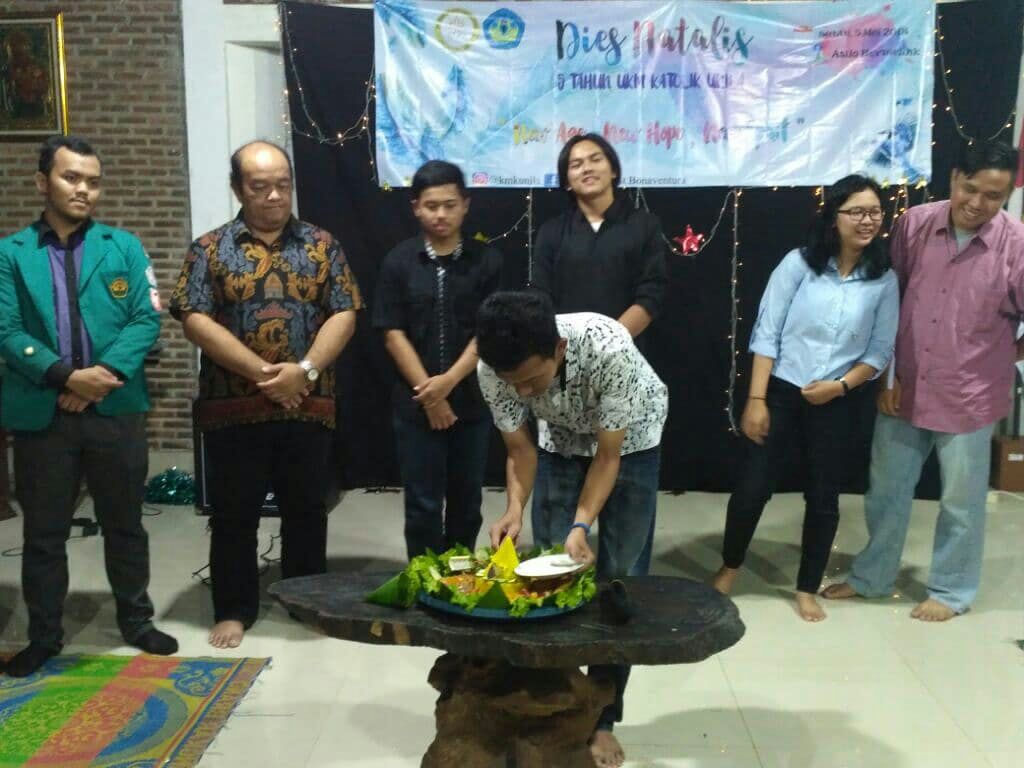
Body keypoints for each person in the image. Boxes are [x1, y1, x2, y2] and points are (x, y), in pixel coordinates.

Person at [169, 140, 362, 648]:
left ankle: (306, 599)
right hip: (234, 410)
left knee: (307, 511)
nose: (274, 196)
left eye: (282, 184)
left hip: (307, 404)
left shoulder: (323, 245)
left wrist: (305, 370)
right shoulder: (210, 249)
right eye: (260, 186)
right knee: (233, 516)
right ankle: (234, 609)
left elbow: (345, 311)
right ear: (238, 188)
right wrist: (266, 375)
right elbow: (193, 318)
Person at [824, 140, 1024, 621]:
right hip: (905, 387)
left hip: (971, 396)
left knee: (960, 501)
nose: (977, 203)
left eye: (993, 196)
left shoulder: (1017, 246)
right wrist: (887, 376)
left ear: (1008, 194)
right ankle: (872, 576)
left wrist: (1004, 357)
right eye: (970, 188)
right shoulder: (915, 223)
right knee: (886, 491)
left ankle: (951, 590)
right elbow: (888, 300)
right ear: (954, 178)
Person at [0, 135, 177, 677]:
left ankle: (137, 621)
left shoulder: (123, 247)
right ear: (42, 182)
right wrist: (65, 376)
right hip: (43, 413)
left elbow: (146, 318)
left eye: (93, 182)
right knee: (43, 535)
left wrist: (99, 378)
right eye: (71, 177)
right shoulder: (10, 254)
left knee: (125, 525)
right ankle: (44, 636)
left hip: (115, 409)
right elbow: (6, 330)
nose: (84, 190)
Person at [476, 291, 667, 768]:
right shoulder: (492, 369)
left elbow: (608, 457)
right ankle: (556, 706)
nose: (523, 392)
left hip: (632, 440)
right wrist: (514, 509)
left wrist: (581, 525)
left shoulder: (610, 348)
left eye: (531, 380)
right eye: (512, 383)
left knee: (621, 577)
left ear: (558, 349)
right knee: (549, 574)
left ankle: (603, 718)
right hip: (559, 439)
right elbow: (519, 450)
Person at [711, 175, 899, 621]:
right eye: (856, 211)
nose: (867, 220)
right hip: (781, 391)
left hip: (839, 400)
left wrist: (841, 386)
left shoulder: (883, 279)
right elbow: (767, 331)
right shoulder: (799, 264)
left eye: (874, 212)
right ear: (834, 217)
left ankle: (806, 586)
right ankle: (730, 567)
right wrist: (756, 399)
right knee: (752, 488)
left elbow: (879, 351)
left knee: (823, 497)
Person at [530, 133, 668, 576]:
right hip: (562, 376)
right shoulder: (553, 233)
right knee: (556, 544)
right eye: (575, 164)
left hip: (623, 375)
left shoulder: (643, 226)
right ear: (566, 179)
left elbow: (652, 294)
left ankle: (623, 602)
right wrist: (567, 356)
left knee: (625, 553)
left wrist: (606, 344)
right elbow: (541, 300)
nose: (586, 168)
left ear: (613, 168)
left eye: (595, 159)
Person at [373, 161, 502, 558]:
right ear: (415, 207)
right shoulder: (398, 261)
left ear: (465, 204)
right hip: (415, 404)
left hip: (471, 402)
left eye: (449, 204)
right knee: (423, 503)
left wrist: (448, 383)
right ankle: (426, 580)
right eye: (431, 206)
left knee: (467, 501)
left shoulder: (487, 261)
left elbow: (488, 331)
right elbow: (391, 331)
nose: (441, 214)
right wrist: (430, 396)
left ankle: (460, 579)